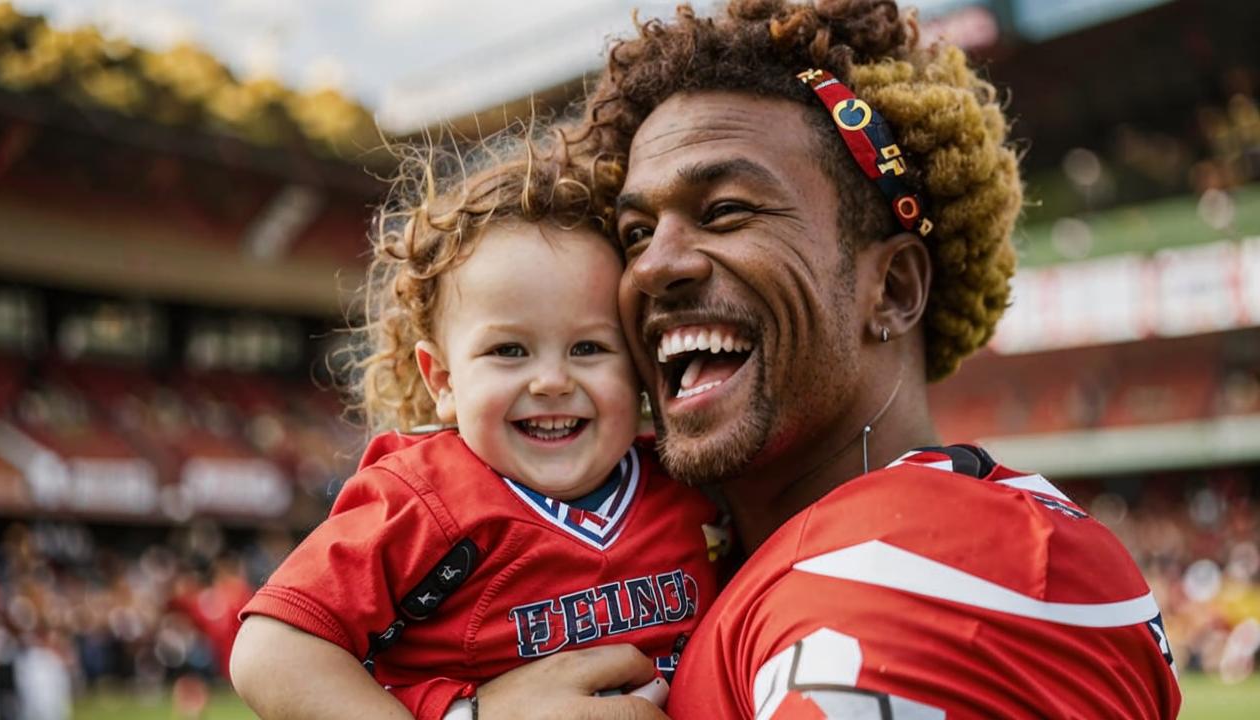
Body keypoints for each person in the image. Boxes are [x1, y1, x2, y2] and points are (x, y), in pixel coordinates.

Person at [470, 0, 1182, 717]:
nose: (653, 266)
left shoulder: (926, 567)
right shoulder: (689, 565)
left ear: (893, 288)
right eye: (634, 232)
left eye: (725, 212)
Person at [228, 142, 721, 719]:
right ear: (442, 380)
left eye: (589, 347)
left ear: (638, 361)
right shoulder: (421, 498)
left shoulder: (689, 476)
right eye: (508, 350)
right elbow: (270, 651)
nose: (552, 381)